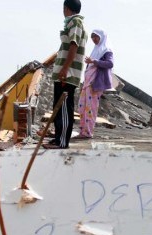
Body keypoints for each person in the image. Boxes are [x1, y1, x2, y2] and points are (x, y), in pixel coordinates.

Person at [44, 0, 87, 149]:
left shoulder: (76, 22)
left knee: (63, 108)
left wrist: (65, 69)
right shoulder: (71, 23)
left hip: (67, 74)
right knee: (59, 107)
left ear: (66, 8)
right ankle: (58, 138)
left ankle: (62, 142)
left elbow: (73, 46)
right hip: (64, 73)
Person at [76, 29, 114, 139]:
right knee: (82, 107)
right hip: (87, 83)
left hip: (95, 84)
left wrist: (94, 61)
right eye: (92, 37)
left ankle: (88, 132)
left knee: (90, 108)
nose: (94, 39)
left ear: (101, 37)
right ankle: (83, 131)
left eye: (96, 37)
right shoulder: (96, 50)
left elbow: (110, 63)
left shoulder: (106, 50)